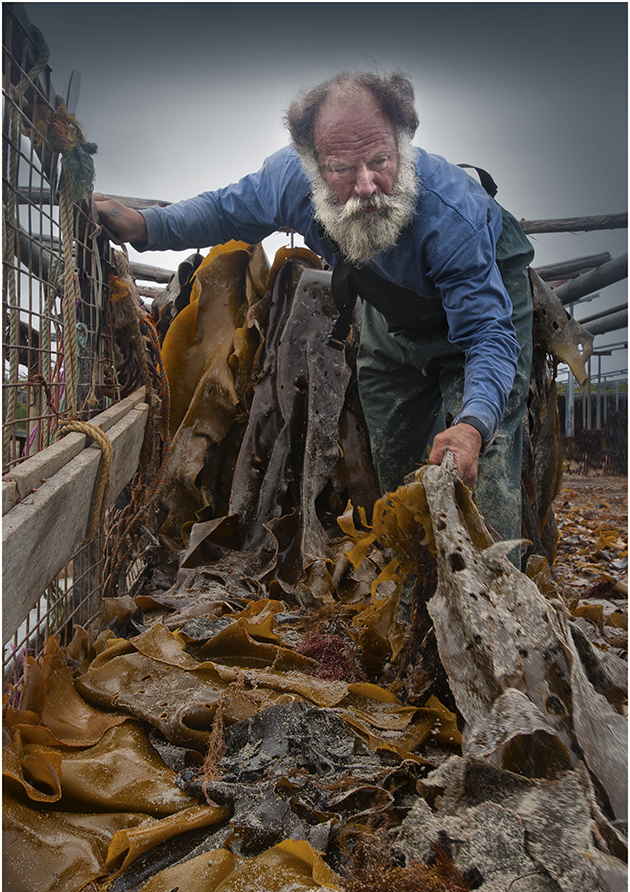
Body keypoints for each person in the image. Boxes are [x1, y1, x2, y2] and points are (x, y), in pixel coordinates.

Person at [94, 71, 534, 555]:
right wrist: (144, 225)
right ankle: (418, 597)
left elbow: (488, 335)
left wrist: (473, 425)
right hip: (393, 314)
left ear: (403, 144)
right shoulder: (289, 180)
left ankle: (499, 600)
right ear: (311, 163)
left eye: (381, 160)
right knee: (396, 456)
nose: (366, 186)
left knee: (484, 463)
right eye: (342, 168)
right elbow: (224, 210)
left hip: (485, 305)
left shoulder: (451, 216)